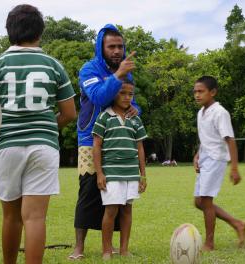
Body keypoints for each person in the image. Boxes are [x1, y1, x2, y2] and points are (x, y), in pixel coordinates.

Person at [0, 4, 76, 263]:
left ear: (9, 31)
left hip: (7, 143)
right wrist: (46, 126)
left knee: (10, 216)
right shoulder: (53, 65)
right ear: (40, 32)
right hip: (43, 147)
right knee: (35, 217)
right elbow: (69, 113)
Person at [70, 24, 140, 259]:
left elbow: (130, 99)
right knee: (88, 190)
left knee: (118, 196)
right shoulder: (88, 70)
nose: (117, 51)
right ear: (101, 48)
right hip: (90, 138)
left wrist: (134, 109)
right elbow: (99, 96)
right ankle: (79, 247)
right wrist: (118, 74)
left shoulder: (126, 73)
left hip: (118, 140)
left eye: (120, 46)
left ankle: (118, 248)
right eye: (112, 46)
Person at [93, 80, 147, 260]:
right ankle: (107, 250)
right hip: (111, 173)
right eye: (122, 93)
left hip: (131, 173)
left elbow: (140, 147)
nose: (127, 97)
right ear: (113, 94)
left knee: (127, 210)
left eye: (130, 94)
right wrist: (100, 173)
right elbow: (96, 146)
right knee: (111, 210)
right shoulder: (104, 117)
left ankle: (124, 249)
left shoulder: (135, 119)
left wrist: (143, 175)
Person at [192, 76, 245, 251]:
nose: (197, 95)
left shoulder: (220, 112)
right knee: (199, 202)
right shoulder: (201, 113)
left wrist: (235, 168)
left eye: (201, 91)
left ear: (213, 92)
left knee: (206, 201)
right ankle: (237, 223)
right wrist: (197, 155)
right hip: (205, 158)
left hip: (216, 159)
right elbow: (206, 138)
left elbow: (230, 140)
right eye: (195, 92)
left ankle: (209, 243)